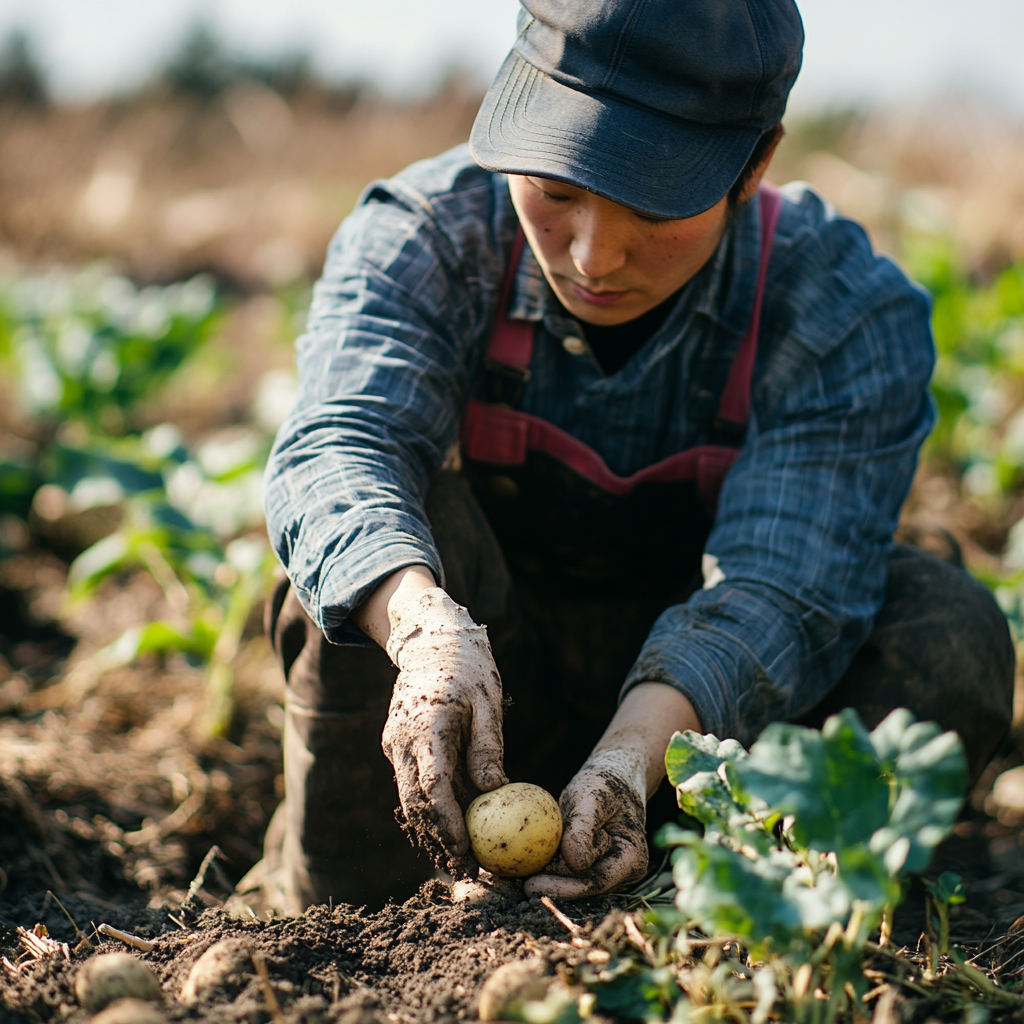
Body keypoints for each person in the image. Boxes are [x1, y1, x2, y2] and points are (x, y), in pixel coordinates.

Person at [242, 0, 1014, 915]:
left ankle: (731, 909)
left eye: (653, 202)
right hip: (485, 708)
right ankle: (346, 920)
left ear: (753, 163)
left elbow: (781, 589)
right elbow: (341, 443)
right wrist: (426, 635)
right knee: (388, 550)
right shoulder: (430, 233)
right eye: (558, 186)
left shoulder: (839, 307)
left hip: (707, 762)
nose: (592, 255)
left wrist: (629, 762)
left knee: (944, 630)